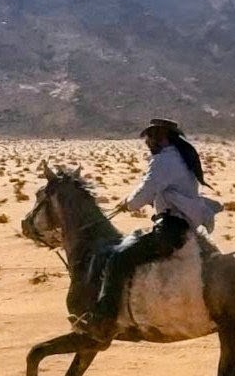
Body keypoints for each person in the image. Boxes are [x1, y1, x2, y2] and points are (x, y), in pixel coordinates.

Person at [75, 118, 221, 342]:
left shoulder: (164, 161)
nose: (147, 142)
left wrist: (129, 203)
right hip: (178, 224)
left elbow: (147, 189)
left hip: (171, 228)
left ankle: (104, 320)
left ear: (162, 137)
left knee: (118, 258)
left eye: (151, 137)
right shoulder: (179, 157)